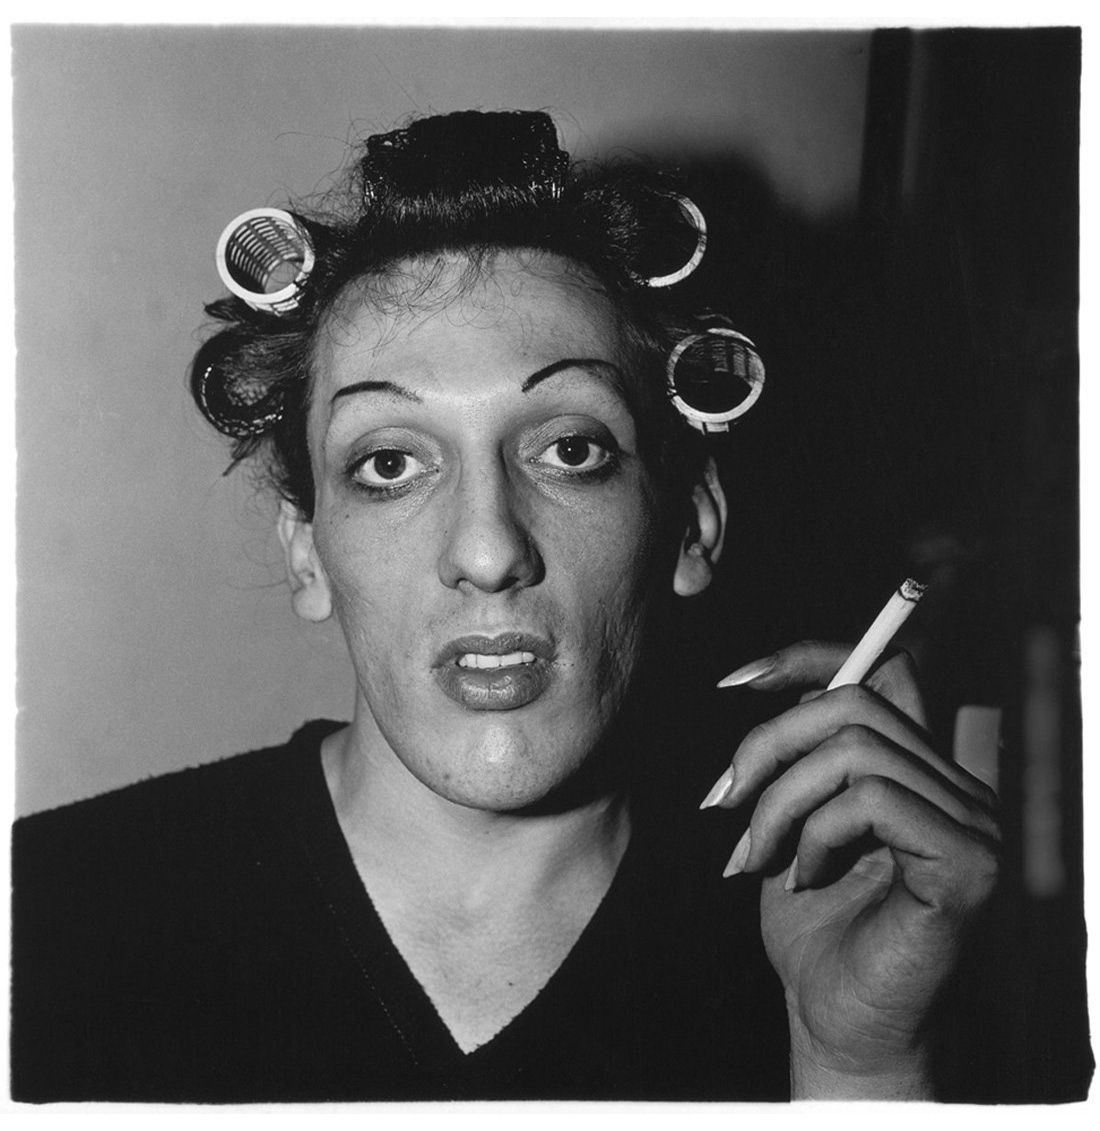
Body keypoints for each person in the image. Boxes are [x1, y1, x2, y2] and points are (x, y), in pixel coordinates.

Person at [11, 110, 999, 1103]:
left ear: (689, 525)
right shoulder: (50, 917)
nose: (487, 551)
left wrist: (859, 1064)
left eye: (570, 450)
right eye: (388, 464)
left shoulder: (838, 935)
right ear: (306, 549)